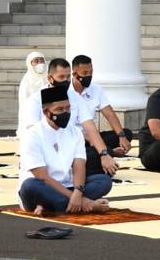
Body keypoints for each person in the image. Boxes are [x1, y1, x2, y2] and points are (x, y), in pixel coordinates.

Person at [17, 86, 112, 215]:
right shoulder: (32, 135)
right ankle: (83, 205)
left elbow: (79, 166)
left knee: (104, 181)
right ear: (46, 112)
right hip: (42, 187)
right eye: (59, 109)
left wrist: (78, 192)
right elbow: (42, 176)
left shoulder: (75, 132)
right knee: (29, 185)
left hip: (67, 186)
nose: (65, 113)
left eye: (68, 108)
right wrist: (82, 200)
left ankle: (53, 206)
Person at [42, 57, 119, 176]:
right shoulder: (36, 100)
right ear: (50, 78)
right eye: (61, 77)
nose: (66, 81)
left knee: (102, 159)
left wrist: (104, 154)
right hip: (47, 152)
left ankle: (76, 171)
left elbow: (90, 127)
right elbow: (33, 134)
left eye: (68, 77)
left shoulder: (75, 98)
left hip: (72, 148)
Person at [70, 54, 133, 174]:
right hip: (74, 138)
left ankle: (105, 151)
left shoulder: (96, 89)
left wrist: (121, 136)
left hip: (93, 135)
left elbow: (109, 114)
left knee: (126, 133)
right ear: (74, 74)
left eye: (91, 72)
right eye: (85, 73)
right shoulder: (66, 93)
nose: (89, 76)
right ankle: (109, 152)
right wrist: (89, 139)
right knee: (93, 152)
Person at [16, 51, 47, 136]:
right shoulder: (26, 81)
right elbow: (25, 104)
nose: (40, 63)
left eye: (41, 60)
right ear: (30, 64)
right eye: (36, 61)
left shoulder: (49, 77)